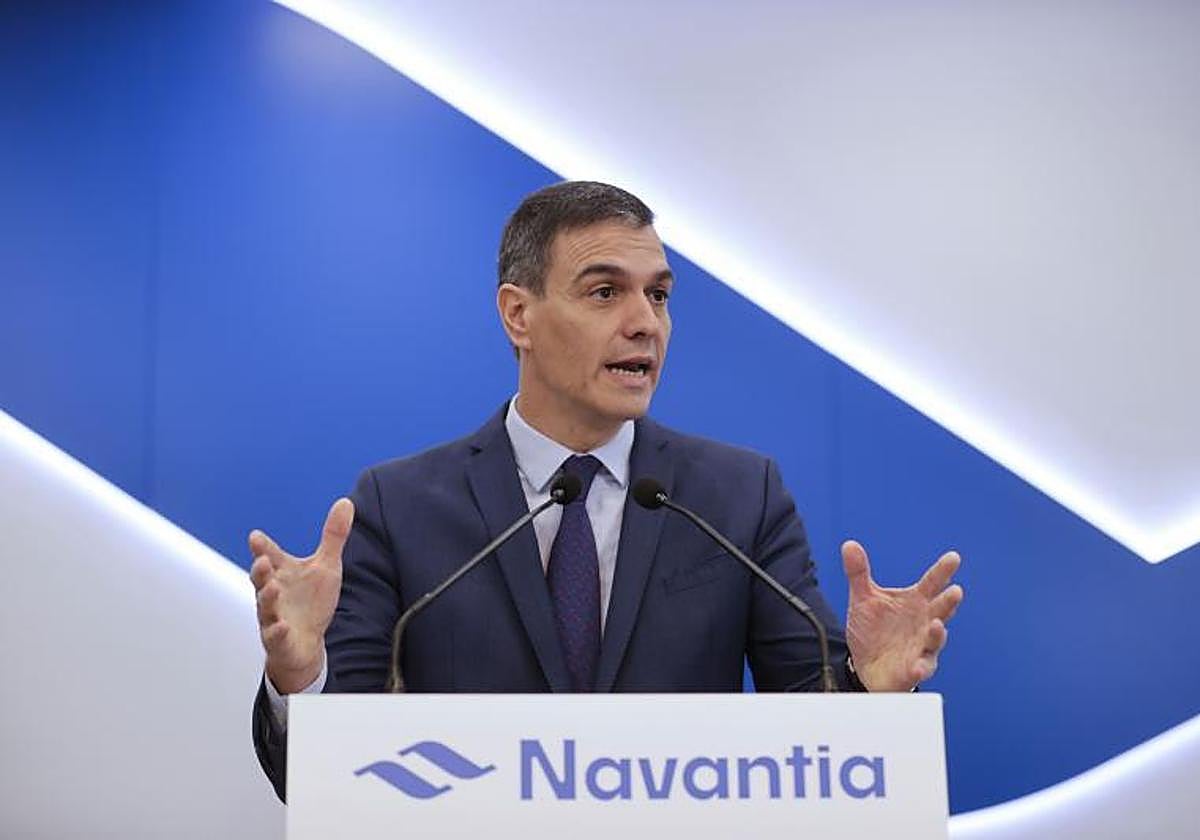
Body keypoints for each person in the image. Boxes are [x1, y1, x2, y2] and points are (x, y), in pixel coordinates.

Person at [249, 181, 964, 801]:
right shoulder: (400, 506)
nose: (645, 322)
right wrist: (301, 678)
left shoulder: (739, 498)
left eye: (658, 295)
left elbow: (819, 742)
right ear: (518, 315)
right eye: (605, 292)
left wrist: (871, 687)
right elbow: (333, 775)